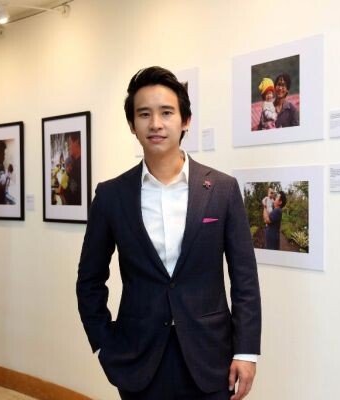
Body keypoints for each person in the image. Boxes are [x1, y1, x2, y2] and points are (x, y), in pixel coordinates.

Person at [76, 67, 261, 400]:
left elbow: (245, 278)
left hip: (210, 357)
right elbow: (89, 279)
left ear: (185, 120)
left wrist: (246, 352)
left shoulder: (222, 189)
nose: (156, 124)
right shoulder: (111, 196)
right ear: (132, 125)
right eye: (144, 114)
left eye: (166, 112)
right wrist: (103, 345)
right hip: (138, 357)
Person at [60, 131, 82, 205]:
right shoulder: (74, 163)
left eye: (70, 143)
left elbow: (75, 190)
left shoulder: (78, 166)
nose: (69, 147)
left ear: (76, 142)